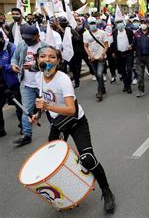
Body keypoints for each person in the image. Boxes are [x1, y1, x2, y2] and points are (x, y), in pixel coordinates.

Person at [30, 46, 116, 214]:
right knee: (53, 160)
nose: (46, 60)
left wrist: (47, 105)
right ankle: (68, 192)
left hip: (76, 121)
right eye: (42, 56)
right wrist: (37, 114)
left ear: (58, 61)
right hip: (58, 124)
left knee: (87, 158)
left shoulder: (62, 79)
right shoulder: (37, 76)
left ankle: (107, 192)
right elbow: (43, 99)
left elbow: (71, 110)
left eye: (51, 57)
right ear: (37, 60)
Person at [11, 25, 48, 146]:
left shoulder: (45, 47)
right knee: (26, 110)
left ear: (37, 36)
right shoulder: (22, 45)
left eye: (29, 39)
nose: (27, 41)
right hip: (26, 84)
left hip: (43, 84)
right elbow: (15, 58)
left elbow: (49, 66)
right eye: (25, 38)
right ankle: (26, 134)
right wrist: (14, 65)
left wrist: (32, 67)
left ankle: (57, 129)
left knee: (49, 107)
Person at [0, 31, 23, 137]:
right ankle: (1, 130)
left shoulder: (11, 47)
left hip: (12, 82)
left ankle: (24, 127)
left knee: (18, 105)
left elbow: (16, 64)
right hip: (0, 83)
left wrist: (4, 67)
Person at [83, 17, 109, 102]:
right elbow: (85, 46)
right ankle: (103, 88)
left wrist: (103, 54)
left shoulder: (102, 33)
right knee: (97, 75)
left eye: (93, 23)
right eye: (90, 23)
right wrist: (90, 55)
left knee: (99, 73)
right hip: (92, 58)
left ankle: (99, 92)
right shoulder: (86, 34)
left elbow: (106, 45)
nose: (92, 25)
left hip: (101, 57)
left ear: (96, 24)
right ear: (88, 24)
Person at [132, 18, 149, 98]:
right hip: (139, 57)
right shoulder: (136, 33)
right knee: (140, 75)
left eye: (145, 23)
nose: (143, 24)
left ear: (148, 24)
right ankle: (141, 90)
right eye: (141, 22)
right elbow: (134, 45)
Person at [112, 19, 134, 93]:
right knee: (123, 70)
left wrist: (132, 45)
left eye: (120, 22)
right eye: (117, 23)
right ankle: (125, 85)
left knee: (129, 70)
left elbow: (133, 40)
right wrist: (113, 52)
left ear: (123, 23)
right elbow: (113, 43)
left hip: (128, 53)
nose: (119, 24)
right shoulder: (114, 32)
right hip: (119, 54)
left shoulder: (129, 31)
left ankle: (129, 86)